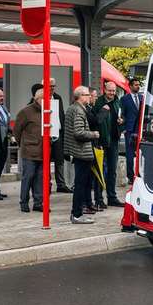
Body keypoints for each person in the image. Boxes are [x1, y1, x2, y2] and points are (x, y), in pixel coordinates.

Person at [64, 86, 99, 224]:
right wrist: (94, 134)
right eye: (87, 94)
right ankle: (77, 214)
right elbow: (78, 132)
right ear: (80, 96)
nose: (89, 96)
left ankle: (77, 213)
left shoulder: (72, 108)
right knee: (80, 184)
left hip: (76, 151)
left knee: (79, 184)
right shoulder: (79, 111)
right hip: (81, 152)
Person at [93, 81, 125, 207]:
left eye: (114, 91)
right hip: (102, 140)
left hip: (114, 140)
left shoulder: (117, 101)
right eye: (109, 90)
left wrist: (121, 121)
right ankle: (99, 199)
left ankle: (112, 197)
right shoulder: (99, 102)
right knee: (101, 171)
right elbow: (96, 120)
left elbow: (122, 116)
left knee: (112, 170)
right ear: (104, 90)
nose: (112, 93)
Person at [14, 88, 44, 213]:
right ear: (38, 99)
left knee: (40, 178)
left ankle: (38, 202)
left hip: (43, 150)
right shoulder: (26, 112)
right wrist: (24, 143)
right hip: (29, 150)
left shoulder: (48, 111)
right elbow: (17, 131)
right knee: (28, 177)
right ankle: (24, 202)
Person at [48, 78, 73, 194]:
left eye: (53, 86)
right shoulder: (39, 99)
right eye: (49, 86)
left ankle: (61, 184)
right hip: (46, 135)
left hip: (57, 133)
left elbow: (61, 114)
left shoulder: (57, 97)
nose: (52, 88)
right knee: (46, 160)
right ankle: (47, 184)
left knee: (59, 159)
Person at [86, 87, 106, 211]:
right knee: (90, 177)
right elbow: (96, 121)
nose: (96, 98)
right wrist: (104, 111)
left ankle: (92, 202)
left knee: (94, 176)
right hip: (89, 146)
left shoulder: (90, 109)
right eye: (94, 96)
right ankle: (89, 203)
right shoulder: (87, 110)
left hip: (96, 144)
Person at [120, 78, 143, 185]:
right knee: (129, 154)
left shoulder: (142, 97)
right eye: (135, 85)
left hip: (140, 129)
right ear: (130, 86)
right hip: (129, 130)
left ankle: (140, 173)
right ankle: (130, 176)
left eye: (138, 85)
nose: (138, 86)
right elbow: (122, 114)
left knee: (140, 153)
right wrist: (123, 128)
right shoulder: (124, 99)